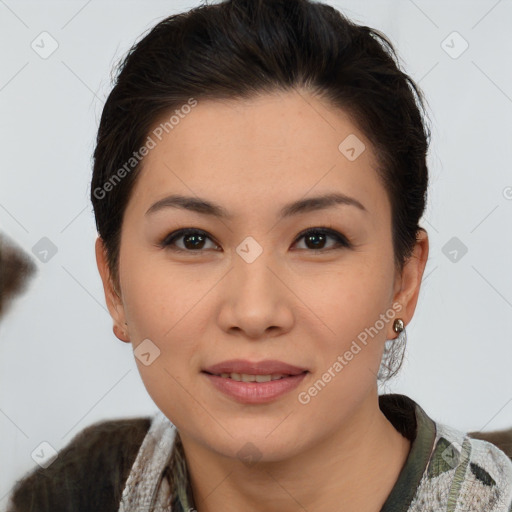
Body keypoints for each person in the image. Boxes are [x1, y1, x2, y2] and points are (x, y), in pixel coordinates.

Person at [7, 0, 512, 511]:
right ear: (113, 284)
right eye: (192, 239)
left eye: (317, 239)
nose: (253, 312)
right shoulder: (76, 491)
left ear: (404, 281)